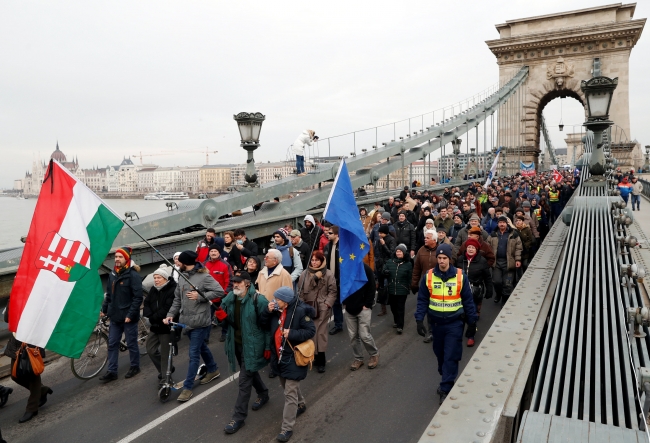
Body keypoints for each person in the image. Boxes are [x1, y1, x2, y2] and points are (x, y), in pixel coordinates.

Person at [414, 243, 478, 405]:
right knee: (440, 355)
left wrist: (472, 322)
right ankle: (446, 376)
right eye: (439, 258)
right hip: (435, 324)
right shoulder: (428, 276)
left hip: (454, 323)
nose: (441, 261)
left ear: (450, 259)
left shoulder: (460, 276)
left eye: (444, 258)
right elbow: (422, 299)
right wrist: (419, 319)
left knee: (451, 355)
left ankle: (446, 387)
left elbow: (468, 301)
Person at [164, 250, 224, 402]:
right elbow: (178, 298)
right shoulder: (183, 277)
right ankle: (213, 369)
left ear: (185, 263)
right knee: (201, 347)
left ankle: (188, 388)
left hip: (200, 322)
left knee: (193, 354)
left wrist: (201, 297)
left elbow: (219, 291)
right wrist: (171, 314)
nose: (177, 263)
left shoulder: (204, 277)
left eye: (179, 262)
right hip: (187, 321)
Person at [260, 287, 316, 442]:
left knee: (289, 394)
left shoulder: (299, 311)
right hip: (278, 356)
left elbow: (311, 331)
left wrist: (291, 333)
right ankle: (301, 403)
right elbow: (262, 324)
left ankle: (287, 428)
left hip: (293, 357)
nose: (274, 301)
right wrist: (267, 311)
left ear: (285, 301)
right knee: (286, 386)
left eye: (277, 299)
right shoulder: (275, 311)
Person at [222, 272, 271, 435]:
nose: (234, 284)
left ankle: (238, 418)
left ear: (247, 283)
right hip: (236, 344)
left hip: (253, 346)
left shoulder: (259, 300)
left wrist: (268, 347)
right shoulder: (230, 298)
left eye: (238, 282)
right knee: (249, 370)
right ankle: (263, 393)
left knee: (244, 381)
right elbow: (224, 318)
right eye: (233, 281)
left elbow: (268, 325)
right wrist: (220, 318)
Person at [100, 246, 143, 382]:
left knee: (131, 343)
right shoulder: (113, 274)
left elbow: (138, 298)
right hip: (115, 316)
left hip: (128, 317)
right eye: (116, 257)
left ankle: (135, 366)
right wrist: (104, 309)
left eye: (120, 257)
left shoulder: (133, 276)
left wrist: (130, 314)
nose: (117, 259)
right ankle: (112, 371)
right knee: (112, 344)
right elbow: (109, 295)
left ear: (126, 259)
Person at [3, 303, 49, 423]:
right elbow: (7, 318)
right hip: (17, 339)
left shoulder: (37, 294)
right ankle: (41, 390)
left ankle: (31, 408)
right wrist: (11, 304)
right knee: (15, 375)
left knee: (33, 373)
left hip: (32, 339)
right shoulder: (16, 295)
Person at [297, 251, 337, 373]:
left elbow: (333, 291)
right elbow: (300, 291)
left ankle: (321, 360)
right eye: (312, 260)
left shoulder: (328, 274)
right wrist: (303, 305)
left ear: (322, 261)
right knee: (310, 333)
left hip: (323, 308)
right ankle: (313, 356)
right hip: (308, 308)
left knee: (320, 333)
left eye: (317, 260)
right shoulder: (305, 274)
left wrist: (327, 304)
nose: (314, 263)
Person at [455, 238, 493, 345]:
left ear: (476, 249)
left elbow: (487, 277)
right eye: (469, 247)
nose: (470, 249)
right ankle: (458, 333)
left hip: (475, 291)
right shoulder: (460, 259)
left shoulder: (482, 261)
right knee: (460, 313)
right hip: (460, 291)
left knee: (472, 314)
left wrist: (489, 289)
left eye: (473, 247)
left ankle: (471, 336)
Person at [143, 267, 178, 383]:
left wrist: (152, 318)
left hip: (166, 326)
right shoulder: (154, 289)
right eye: (154, 278)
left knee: (165, 354)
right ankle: (165, 370)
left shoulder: (172, 289)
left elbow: (167, 308)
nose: (156, 280)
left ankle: (166, 379)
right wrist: (148, 315)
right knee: (150, 349)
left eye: (159, 278)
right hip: (155, 325)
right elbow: (147, 303)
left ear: (165, 278)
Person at [345, 263, 379, 371]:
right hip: (349, 308)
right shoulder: (345, 268)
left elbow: (372, 286)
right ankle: (358, 358)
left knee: (364, 335)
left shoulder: (366, 269)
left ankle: (374, 354)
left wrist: (367, 304)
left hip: (363, 308)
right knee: (353, 337)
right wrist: (344, 302)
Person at [487, 216, 523, 305]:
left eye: (503, 222)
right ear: (497, 224)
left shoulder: (513, 234)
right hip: (496, 262)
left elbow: (519, 247)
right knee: (496, 281)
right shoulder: (493, 234)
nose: (502, 224)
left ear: (507, 223)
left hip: (509, 262)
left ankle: (504, 299)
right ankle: (498, 294)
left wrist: (517, 259)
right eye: (500, 222)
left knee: (507, 283)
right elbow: (488, 247)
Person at [411, 229, 438, 343]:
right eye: (425, 237)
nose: (425, 239)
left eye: (427, 238)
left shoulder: (442, 250)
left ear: (434, 240)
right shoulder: (421, 250)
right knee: (428, 308)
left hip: (440, 284)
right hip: (426, 284)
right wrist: (414, 283)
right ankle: (431, 332)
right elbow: (416, 269)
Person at [383, 244, 413, 334]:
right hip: (392, 288)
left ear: (404, 253)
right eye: (397, 251)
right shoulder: (389, 262)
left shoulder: (408, 264)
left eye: (400, 251)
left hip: (402, 290)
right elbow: (383, 271)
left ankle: (400, 326)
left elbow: (410, 277)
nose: (398, 253)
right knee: (393, 307)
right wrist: (385, 272)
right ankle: (396, 321)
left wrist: (410, 286)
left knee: (400, 308)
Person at [324, 226, 344, 335]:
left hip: (340, 279)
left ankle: (341, 324)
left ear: (336, 234)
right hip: (330, 279)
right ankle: (338, 324)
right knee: (334, 303)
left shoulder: (343, 246)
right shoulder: (327, 247)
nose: (328, 234)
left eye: (330, 233)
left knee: (340, 302)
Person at [374, 224, 396, 317]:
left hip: (388, 265)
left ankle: (392, 306)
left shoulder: (391, 240)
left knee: (388, 286)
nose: (379, 234)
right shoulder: (379, 240)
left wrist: (384, 245)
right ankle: (383, 308)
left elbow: (391, 253)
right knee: (381, 287)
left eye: (381, 233)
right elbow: (378, 253)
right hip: (380, 265)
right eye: (379, 232)